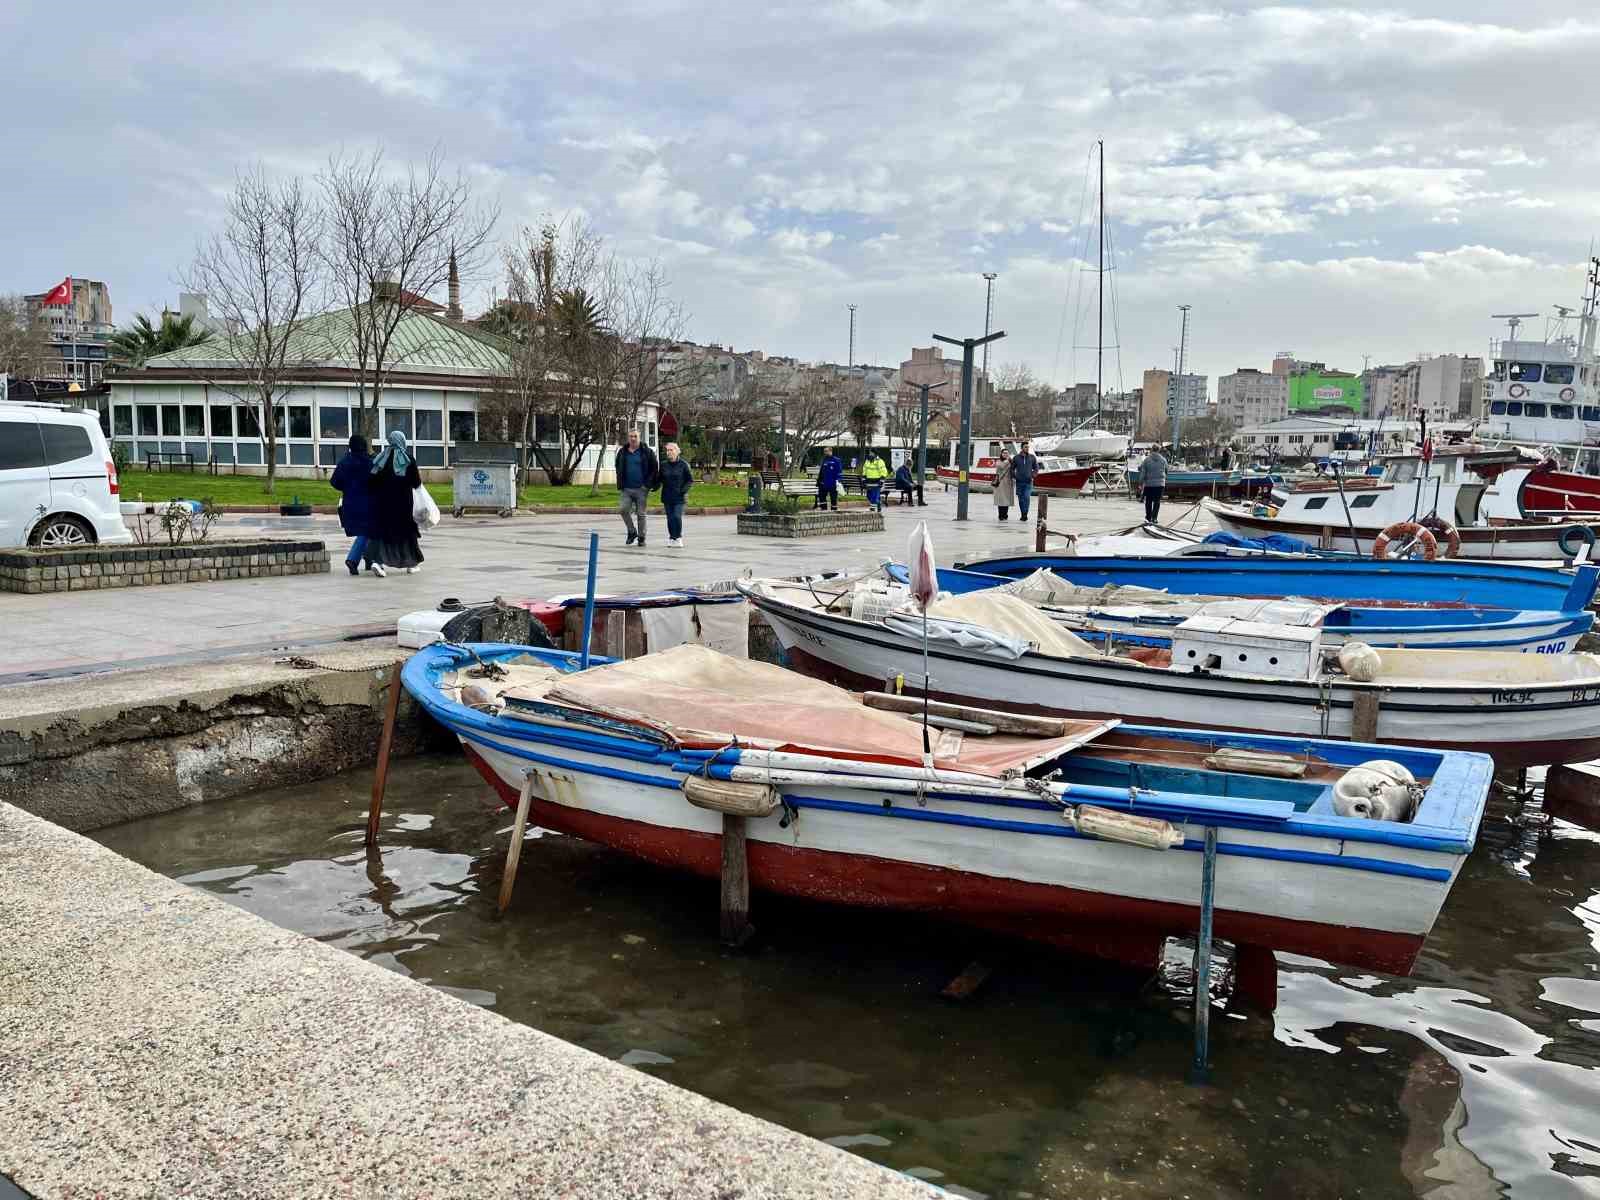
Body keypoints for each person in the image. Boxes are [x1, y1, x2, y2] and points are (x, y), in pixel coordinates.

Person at [366, 429, 424, 576]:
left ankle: (377, 562)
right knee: (407, 533)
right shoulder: (408, 458)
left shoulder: (381, 457)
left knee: (385, 533)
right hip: (404, 504)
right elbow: (416, 482)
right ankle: (411, 564)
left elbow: (372, 480)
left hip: (384, 504)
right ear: (402, 440)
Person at [330, 433, 376, 576]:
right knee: (368, 531)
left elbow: (334, 481)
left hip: (349, 503)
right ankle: (353, 559)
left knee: (366, 532)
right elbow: (377, 481)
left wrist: (347, 487)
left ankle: (369, 559)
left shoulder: (344, 462)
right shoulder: (370, 462)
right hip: (368, 503)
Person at [615, 428, 659, 548]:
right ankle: (632, 531)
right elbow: (618, 466)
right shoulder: (622, 452)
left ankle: (641, 537)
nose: (633, 438)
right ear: (628, 438)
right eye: (631, 436)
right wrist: (621, 482)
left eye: (635, 436)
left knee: (641, 514)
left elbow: (654, 469)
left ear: (640, 437)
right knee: (623, 510)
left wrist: (647, 485)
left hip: (641, 489)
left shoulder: (647, 452)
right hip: (626, 489)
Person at [657, 441, 693, 548]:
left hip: (679, 496)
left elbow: (689, 480)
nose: (669, 452)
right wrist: (651, 486)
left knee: (677, 516)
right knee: (670, 518)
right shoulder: (663, 465)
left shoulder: (683, 465)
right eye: (667, 450)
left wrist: (684, 490)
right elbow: (659, 479)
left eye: (671, 450)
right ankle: (672, 538)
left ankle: (678, 537)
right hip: (667, 496)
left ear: (677, 452)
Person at [1137, 445, 1169, 524]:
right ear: (1159, 450)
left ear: (1151, 450)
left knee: (1148, 501)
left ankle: (1148, 518)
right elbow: (1166, 470)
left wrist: (1140, 483)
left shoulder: (1146, 460)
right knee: (1157, 501)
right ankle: (1154, 518)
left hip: (1149, 484)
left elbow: (1143, 473)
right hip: (1160, 484)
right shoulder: (1163, 460)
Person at [1012, 439, 1039, 520]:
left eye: (1028, 447)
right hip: (1019, 482)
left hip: (1028, 482)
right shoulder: (1016, 458)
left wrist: (1033, 475)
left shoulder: (1032, 457)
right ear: (1022, 448)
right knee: (1021, 499)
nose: (1027, 448)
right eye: (1025, 447)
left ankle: (1025, 514)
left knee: (1027, 497)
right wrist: (1015, 476)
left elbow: (1036, 468)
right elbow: (1012, 469)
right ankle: (1023, 514)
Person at [993, 448, 1016, 521]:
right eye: (1004, 453)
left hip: (1009, 482)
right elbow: (1001, 466)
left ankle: (1005, 515)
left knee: (1007, 500)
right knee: (1001, 499)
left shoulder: (1010, 462)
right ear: (1001, 454)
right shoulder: (998, 461)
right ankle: (1000, 515)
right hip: (1001, 482)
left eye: (1007, 453)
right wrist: (1008, 460)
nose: (1005, 454)